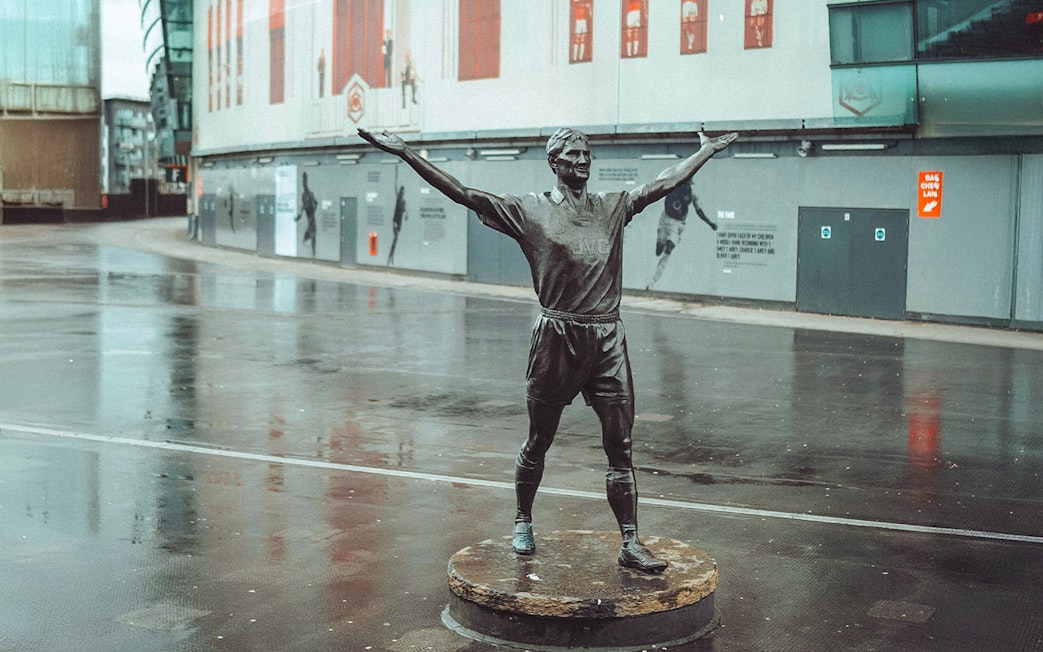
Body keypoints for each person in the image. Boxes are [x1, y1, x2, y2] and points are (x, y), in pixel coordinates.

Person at [358, 125, 737, 573]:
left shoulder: (612, 207)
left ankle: (631, 542)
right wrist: (405, 153)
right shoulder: (530, 211)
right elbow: (464, 193)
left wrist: (705, 151)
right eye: (572, 154)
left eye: (586, 152)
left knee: (621, 445)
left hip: (607, 338)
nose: (583, 160)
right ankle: (522, 518)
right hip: (558, 339)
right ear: (554, 163)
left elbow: (664, 182)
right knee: (540, 439)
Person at [296, 172, 318, 257]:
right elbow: (304, 206)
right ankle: (312, 252)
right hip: (309, 216)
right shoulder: (304, 195)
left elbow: (316, 203)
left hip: (311, 217)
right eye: (303, 179)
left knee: (313, 235)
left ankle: (313, 252)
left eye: (304, 179)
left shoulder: (310, 194)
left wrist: (312, 214)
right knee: (311, 234)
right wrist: (300, 215)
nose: (303, 182)